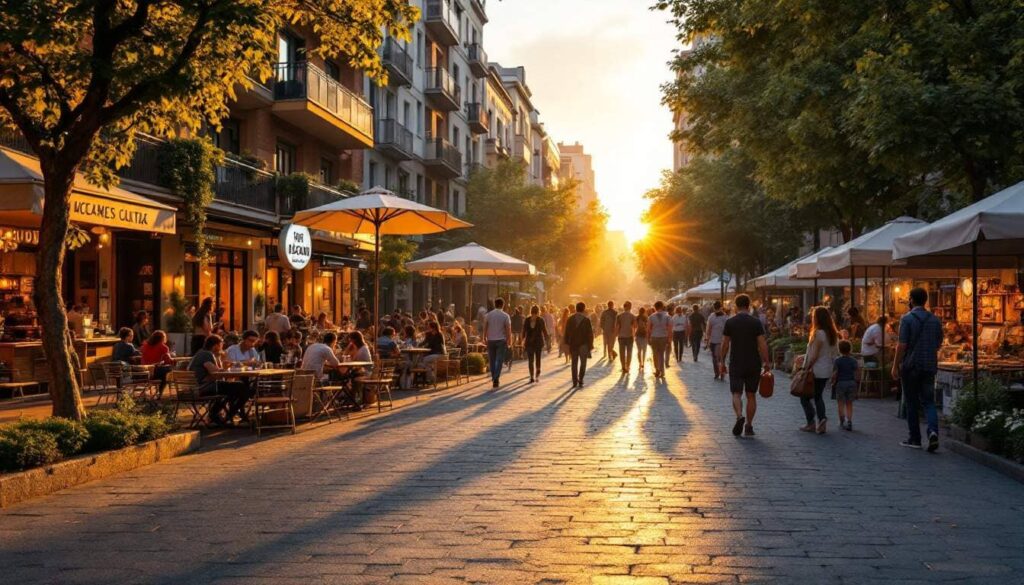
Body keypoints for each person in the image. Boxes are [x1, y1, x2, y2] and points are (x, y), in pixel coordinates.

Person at [892, 287, 943, 452]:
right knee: (929, 402)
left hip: (911, 366)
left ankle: (915, 439)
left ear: (911, 300)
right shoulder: (935, 320)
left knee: (912, 402)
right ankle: (933, 431)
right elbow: (938, 343)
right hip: (929, 365)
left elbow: (902, 345)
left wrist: (895, 365)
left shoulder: (907, 319)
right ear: (925, 300)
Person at [719, 294, 770, 437]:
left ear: (736, 305)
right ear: (749, 305)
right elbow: (762, 344)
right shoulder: (756, 322)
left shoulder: (730, 322)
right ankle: (749, 425)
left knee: (736, 393)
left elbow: (725, 343)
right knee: (751, 395)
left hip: (736, 362)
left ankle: (739, 416)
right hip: (753, 363)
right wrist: (767, 362)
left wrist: (722, 361)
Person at [188, 335, 248, 425]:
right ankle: (226, 415)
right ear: (216, 346)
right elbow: (215, 372)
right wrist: (226, 368)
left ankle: (217, 415)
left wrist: (220, 359)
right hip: (204, 387)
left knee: (234, 390)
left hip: (198, 387)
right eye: (221, 345)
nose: (222, 347)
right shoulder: (206, 354)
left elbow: (216, 373)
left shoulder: (201, 353)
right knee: (242, 388)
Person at [800, 306, 839, 434]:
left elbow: (815, 355)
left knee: (804, 397)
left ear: (817, 318)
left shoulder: (818, 333)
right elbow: (834, 354)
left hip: (815, 369)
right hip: (826, 369)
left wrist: (806, 367)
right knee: (818, 396)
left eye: (813, 316)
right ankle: (821, 420)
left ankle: (811, 422)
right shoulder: (832, 334)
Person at [483, 298, 512, 389]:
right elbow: (508, 329)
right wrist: (509, 340)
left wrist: (484, 337)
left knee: (492, 360)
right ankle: (496, 378)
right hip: (501, 340)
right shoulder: (505, 316)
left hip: (490, 340)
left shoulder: (488, 315)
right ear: (503, 305)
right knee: (499, 360)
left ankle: (494, 377)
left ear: (495, 304)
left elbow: (485, 327)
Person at [564, 301, 594, 388]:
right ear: (584, 309)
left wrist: (566, 343)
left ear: (576, 309)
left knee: (574, 363)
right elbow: (590, 334)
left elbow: (567, 332)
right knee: (583, 363)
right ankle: (580, 379)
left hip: (573, 344)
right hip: (584, 344)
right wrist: (590, 345)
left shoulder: (570, 319)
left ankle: (574, 381)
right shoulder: (586, 320)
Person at [832, 340, 860, 431]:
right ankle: (849, 421)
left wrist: (832, 381)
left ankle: (841, 420)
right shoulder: (853, 360)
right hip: (851, 382)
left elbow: (835, 373)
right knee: (849, 403)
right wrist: (857, 382)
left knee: (840, 403)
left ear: (839, 349)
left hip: (841, 383)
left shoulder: (837, 361)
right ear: (850, 349)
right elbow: (857, 372)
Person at [140, 330, 174, 398]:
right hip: (154, 372)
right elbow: (168, 361)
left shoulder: (144, 346)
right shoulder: (163, 347)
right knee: (168, 370)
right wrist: (172, 357)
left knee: (164, 371)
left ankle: (158, 392)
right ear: (163, 338)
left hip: (143, 371)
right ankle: (160, 392)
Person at [522, 305, 549, 383]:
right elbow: (544, 331)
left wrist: (522, 340)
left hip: (529, 343)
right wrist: (547, 341)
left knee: (530, 360)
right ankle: (537, 372)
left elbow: (524, 331)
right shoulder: (541, 320)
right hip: (538, 343)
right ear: (538, 312)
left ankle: (531, 377)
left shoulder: (527, 320)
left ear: (531, 311)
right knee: (538, 358)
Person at [647, 301, 672, 379]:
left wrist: (648, 338)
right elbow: (670, 328)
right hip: (663, 337)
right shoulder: (667, 316)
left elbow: (648, 328)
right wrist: (669, 338)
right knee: (661, 354)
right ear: (662, 306)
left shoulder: (651, 317)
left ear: (655, 307)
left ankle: (657, 369)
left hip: (654, 337)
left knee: (655, 354)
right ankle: (662, 371)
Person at [705, 301, 729, 380]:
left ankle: (717, 372)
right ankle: (721, 373)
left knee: (715, 358)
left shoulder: (712, 317)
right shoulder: (726, 317)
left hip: (715, 340)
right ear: (721, 307)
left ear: (714, 308)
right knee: (722, 358)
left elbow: (708, 329)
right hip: (722, 341)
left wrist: (707, 339)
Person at [614, 301, 636, 373]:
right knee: (629, 352)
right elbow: (635, 326)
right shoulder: (632, 316)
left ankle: (623, 366)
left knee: (622, 353)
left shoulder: (619, 316)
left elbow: (617, 327)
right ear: (630, 307)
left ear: (624, 307)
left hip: (621, 337)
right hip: (629, 336)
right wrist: (634, 335)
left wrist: (615, 335)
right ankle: (628, 366)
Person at [635, 307, 649, 371]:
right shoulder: (646, 318)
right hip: (644, 335)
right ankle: (643, 362)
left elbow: (635, 326)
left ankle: (640, 363)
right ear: (644, 311)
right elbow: (647, 327)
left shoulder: (637, 317)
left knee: (639, 350)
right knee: (644, 350)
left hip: (638, 335)